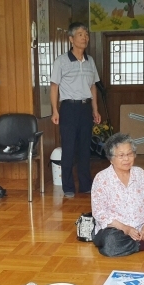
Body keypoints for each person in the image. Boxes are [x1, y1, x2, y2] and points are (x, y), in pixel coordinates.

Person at [91, 133, 144, 257]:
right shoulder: (101, 178)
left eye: (129, 154)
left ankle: (134, 245)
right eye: (121, 155)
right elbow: (100, 213)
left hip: (142, 228)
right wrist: (126, 229)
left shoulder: (140, 174)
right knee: (111, 241)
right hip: (116, 230)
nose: (126, 159)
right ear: (111, 158)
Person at [50, 22, 101, 198]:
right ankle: (68, 187)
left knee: (85, 148)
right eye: (80, 34)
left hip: (86, 107)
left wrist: (95, 109)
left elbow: (93, 86)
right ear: (71, 39)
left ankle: (86, 185)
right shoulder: (61, 61)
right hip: (68, 108)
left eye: (86, 34)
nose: (84, 37)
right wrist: (55, 111)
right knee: (69, 148)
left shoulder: (90, 61)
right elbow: (54, 86)